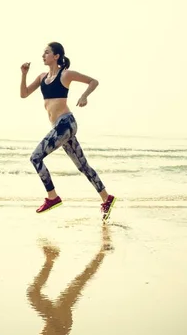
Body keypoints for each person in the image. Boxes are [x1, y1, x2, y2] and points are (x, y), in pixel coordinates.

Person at [20, 41, 116, 218]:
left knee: (35, 157)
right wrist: (24, 74)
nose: (43, 55)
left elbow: (94, 82)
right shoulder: (42, 77)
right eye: (43, 53)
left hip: (66, 124)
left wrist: (84, 96)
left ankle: (52, 197)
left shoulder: (66, 75)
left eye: (47, 53)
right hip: (60, 127)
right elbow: (24, 94)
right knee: (83, 166)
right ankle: (106, 198)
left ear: (56, 56)